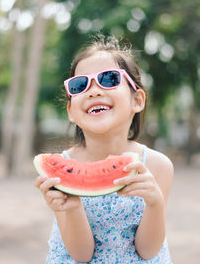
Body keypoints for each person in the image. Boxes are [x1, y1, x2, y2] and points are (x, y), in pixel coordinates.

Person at [34, 35, 174, 263]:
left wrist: (155, 203)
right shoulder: (61, 169)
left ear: (137, 100)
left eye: (109, 79)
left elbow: (148, 251)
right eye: (80, 85)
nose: (93, 91)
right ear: (71, 110)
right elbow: (81, 254)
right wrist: (70, 207)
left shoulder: (157, 166)